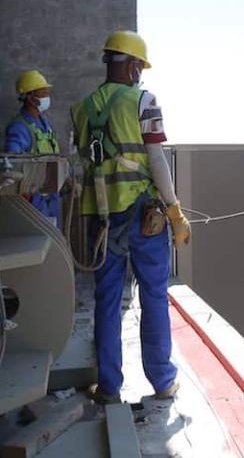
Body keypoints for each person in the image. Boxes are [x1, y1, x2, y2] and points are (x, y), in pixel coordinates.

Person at [71, 30, 191, 404]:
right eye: (140, 66)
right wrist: (174, 212)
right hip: (142, 215)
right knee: (153, 295)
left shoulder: (82, 109)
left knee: (107, 301)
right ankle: (162, 381)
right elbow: (156, 159)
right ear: (135, 65)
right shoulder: (143, 101)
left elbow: (89, 163)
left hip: (101, 217)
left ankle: (108, 388)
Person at [5, 69, 61, 228]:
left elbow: (53, 154)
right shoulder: (19, 128)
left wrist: (67, 178)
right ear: (30, 98)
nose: (47, 96)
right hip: (35, 202)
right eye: (43, 93)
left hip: (51, 199)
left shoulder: (44, 123)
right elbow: (14, 162)